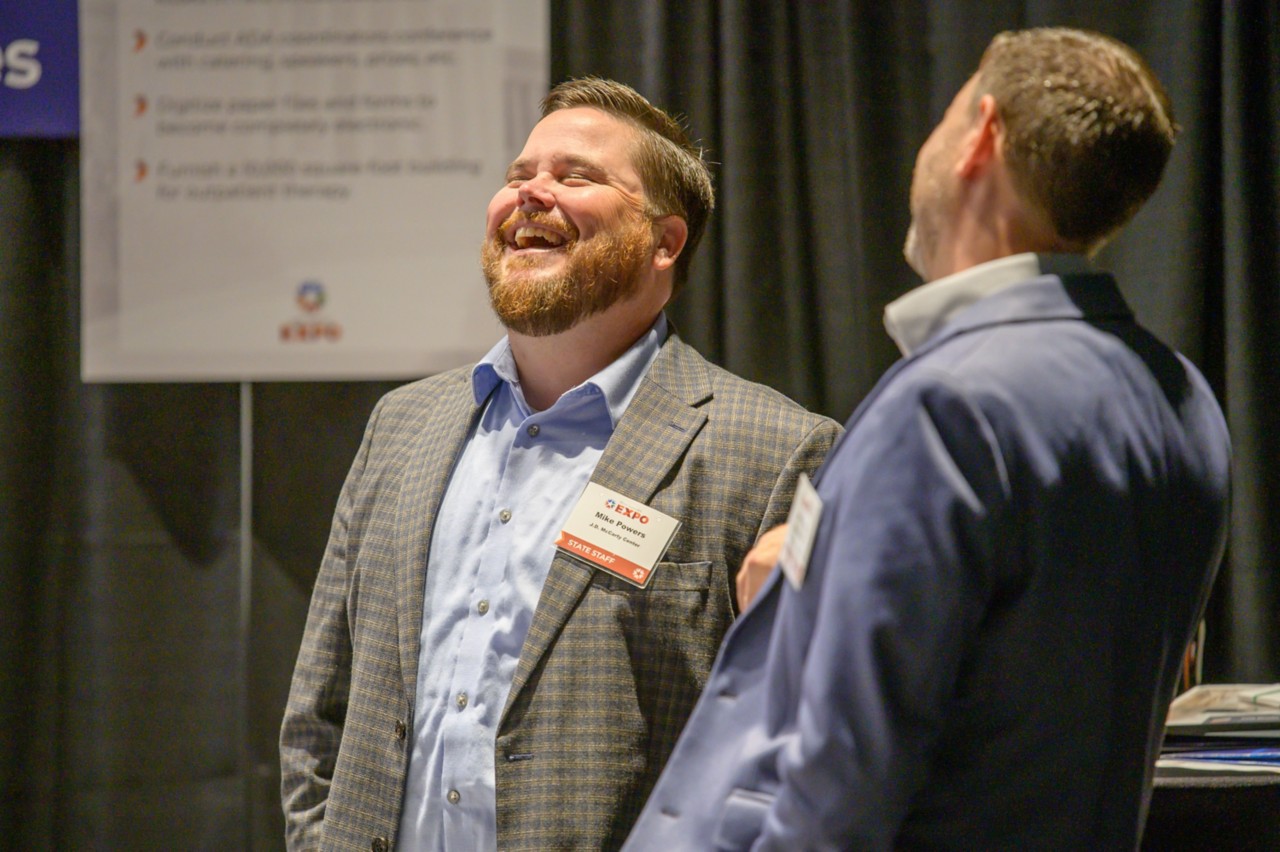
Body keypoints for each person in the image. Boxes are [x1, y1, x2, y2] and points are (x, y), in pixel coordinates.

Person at [624, 27, 1231, 851]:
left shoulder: (948, 404)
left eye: (944, 116)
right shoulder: (1186, 398)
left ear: (981, 134)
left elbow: (841, 781)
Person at [278, 77, 841, 851]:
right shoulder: (402, 426)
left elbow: (794, 750)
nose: (530, 195)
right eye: (518, 176)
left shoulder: (774, 451)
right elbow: (321, 708)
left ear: (664, 241)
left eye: (573, 176)